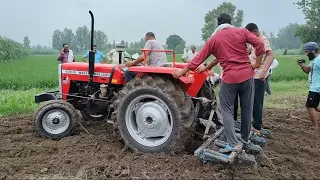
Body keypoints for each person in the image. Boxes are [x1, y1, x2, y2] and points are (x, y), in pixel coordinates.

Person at [173, 14, 265, 153]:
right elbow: (260, 44)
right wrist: (257, 63)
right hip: (247, 76)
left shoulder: (214, 39)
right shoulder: (241, 32)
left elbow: (197, 60)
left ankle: (233, 143)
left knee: (226, 109)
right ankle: (245, 139)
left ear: (218, 25)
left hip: (230, 78)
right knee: (247, 108)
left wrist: (181, 72)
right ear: (230, 23)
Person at [245, 23, 275, 138]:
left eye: (249, 34)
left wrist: (264, 72)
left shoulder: (263, 39)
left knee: (257, 100)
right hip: (253, 74)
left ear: (253, 32)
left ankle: (257, 126)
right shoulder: (254, 42)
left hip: (259, 75)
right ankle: (253, 123)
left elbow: (271, 55)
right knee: (252, 100)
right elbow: (247, 52)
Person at [297, 42, 320, 129]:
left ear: (313, 51)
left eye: (307, 52)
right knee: (316, 107)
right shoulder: (314, 60)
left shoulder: (319, 60)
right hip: (314, 87)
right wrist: (302, 65)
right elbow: (308, 70)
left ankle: (315, 127)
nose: (306, 54)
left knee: (309, 106)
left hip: (316, 88)